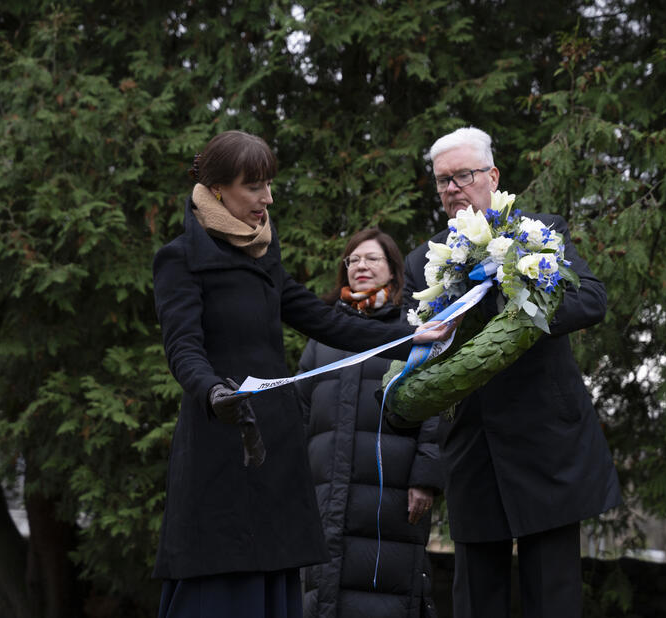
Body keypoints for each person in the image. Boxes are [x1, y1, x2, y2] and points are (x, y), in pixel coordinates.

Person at [151, 130, 452, 618]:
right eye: (254, 186)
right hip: (220, 436)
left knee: (274, 567)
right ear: (218, 189)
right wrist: (212, 393)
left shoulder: (264, 252)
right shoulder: (180, 258)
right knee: (221, 575)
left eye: (270, 184)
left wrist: (405, 336)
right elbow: (183, 348)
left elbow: (322, 317)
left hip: (276, 440)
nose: (267, 198)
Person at [401, 127, 622, 618]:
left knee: (553, 596)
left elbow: (592, 299)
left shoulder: (538, 233)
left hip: (547, 440)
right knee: (477, 598)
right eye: (443, 180)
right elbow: (409, 352)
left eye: (464, 175)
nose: (453, 187)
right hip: (474, 447)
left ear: (492, 176)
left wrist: (521, 299)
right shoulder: (422, 264)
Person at [297, 228, 443, 618]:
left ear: (394, 271)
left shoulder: (415, 331)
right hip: (325, 492)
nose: (360, 266)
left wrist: (425, 476)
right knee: (321, 592)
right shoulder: (322, 336)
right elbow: (302, 413)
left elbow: (434, 404)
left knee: (386, 595)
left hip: (391, 494)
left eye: (371, 259)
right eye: (353, 260)